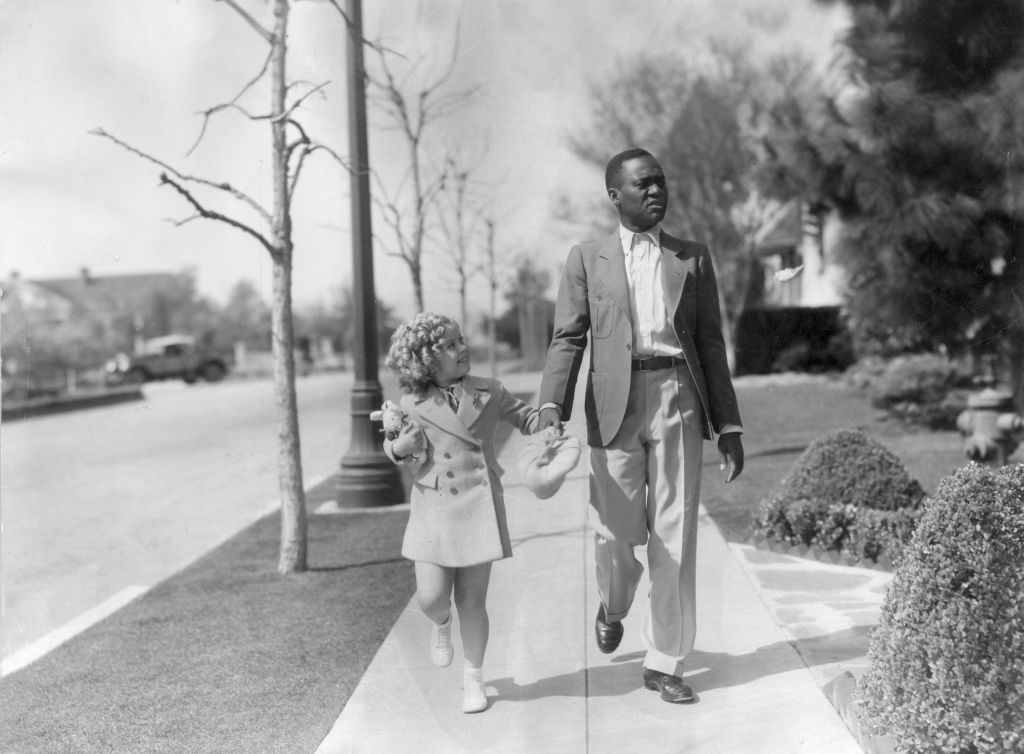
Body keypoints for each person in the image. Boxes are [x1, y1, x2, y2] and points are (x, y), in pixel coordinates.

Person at [536, 148, 744, 704]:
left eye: (660, 183)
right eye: (642, 185)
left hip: (678, 394)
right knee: (616, 534)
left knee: (675, 534)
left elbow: (710, 343)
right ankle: (613, 602)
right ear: (615, 196)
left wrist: (728, 426)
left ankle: (665, 660)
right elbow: (569, 338)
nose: (656, 192)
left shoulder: (692, 258)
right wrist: (551, 405)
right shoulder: (586, 258)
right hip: (612, 404)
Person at [382, 312, 539, 713]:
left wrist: (547, 423)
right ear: (426, 361)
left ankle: (474, 678)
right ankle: (440, 623)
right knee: (432, 597)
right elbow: (394, 447)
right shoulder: (411, 404)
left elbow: (526, 417)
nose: (462, 348)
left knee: (472, 600)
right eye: (449, 345)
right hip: (434, 508)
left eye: (461, 340)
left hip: (477, 503)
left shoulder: (489, 390)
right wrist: (401, 446)